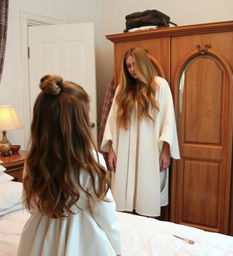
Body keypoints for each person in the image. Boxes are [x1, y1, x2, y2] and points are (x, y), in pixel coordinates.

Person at [18, 75, 122, 256]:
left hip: (40, 234)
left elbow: (34, 204)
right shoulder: (91, 160)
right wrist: (117, 247)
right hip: (83, 235)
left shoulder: (34, 160)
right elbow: (105, 213)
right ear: (79, 123)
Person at [101, 47, 180, 217]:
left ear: (143, 63)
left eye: (135, 65)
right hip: (123, 149)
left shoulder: (160, 85)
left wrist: (166, 150)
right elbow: (112, 121)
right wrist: (111, 150)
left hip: (149, 150)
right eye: (128, 66)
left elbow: (169, 120)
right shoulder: (122, 89)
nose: (132, 70)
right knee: (123, 199)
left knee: (147, 195)